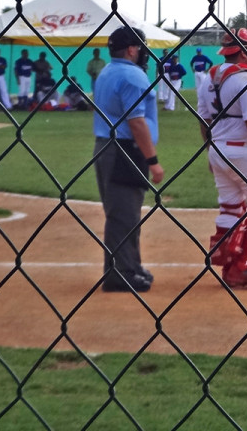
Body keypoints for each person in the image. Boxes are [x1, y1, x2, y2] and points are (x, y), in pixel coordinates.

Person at [196, 28, 247, 288]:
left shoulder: (209, 79)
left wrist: (211, 150)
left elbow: (204, 120)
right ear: (243, 51)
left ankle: (229, 262)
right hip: (246, 150)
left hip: (219, 149)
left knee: (231, 207)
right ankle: (241, 267)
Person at [92, 26, 163, 293]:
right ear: (132, 49)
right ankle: (119, 273)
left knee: (127, 212)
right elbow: (137, 122)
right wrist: (153, 160)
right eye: (141, 48)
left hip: (109, 147)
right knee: (123, 214)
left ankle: (130, 265)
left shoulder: (107, 71)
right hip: (124, 150)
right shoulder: (133, 76)